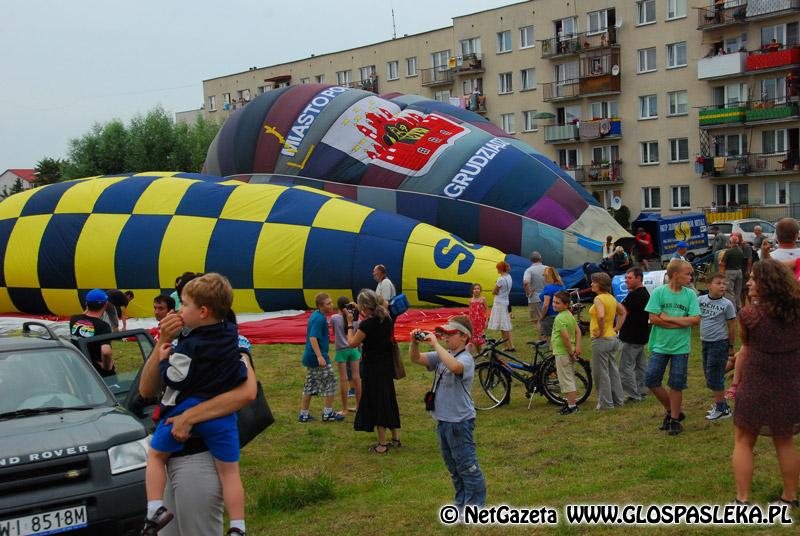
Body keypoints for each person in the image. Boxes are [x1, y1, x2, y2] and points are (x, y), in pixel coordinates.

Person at [143, 273, 248, 536]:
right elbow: (146, 390)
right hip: (177, 456)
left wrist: (188, 417)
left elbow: (247, 393)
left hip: (196, 457)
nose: (177, 310)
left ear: (202, 310)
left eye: (183, 303)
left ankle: (152, 509)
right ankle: (238, 526)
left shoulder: (230, 342)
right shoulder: (211, 336)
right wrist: (161, 344)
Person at [731, 259, 800, 507]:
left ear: (766, 284)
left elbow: (745, 351)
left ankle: (742, 500)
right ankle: (790, 498)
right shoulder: (797, 313)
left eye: (753, 279)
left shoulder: (750, 315)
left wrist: (736, 382)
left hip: (756, 385)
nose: (748, 282)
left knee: (743, 441)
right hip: (791, 385)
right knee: (784, 441)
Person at [409, 316, 486, 508]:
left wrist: (435, 344)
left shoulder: (466, 359)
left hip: (459, 422)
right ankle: (462, 503)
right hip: (443, 421)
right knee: (454, 468)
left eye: (450, 334)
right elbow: (416, 358)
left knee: (467, 467)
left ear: (464, 337)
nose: (445, 338)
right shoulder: (444, 354)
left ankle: (475, 507)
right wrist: (414, 343)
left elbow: (455, 367)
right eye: (444, 334)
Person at [644, 260, 701, 436]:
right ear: (675, 275)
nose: (691, 277)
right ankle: (671, 410)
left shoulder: (690, 295)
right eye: (687, 274)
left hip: (680, 347)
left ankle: (675, 420)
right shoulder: (659, 293)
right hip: (660, 345)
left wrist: (668, 319)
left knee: (676, 383)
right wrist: (681, 323)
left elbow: (695, 320)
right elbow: (653, 318)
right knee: (652, 379)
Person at [345, 289, 400, 453]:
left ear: (364, 306)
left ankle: (382, 444)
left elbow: (352, 343)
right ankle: (395, 438)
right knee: (388, 399)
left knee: (377, 402)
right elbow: (380, 309)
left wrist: (349, 324)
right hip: (386, 365)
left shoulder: (366, 324)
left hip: (372, 368)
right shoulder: (386, 317)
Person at [299, 293, 344, 423]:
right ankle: (328, 413)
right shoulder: (319, 319)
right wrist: (320, 356)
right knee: (331, 381)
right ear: (320, 306)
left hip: (310, 356)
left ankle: (304, 415)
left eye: (331, 302)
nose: (332, 305)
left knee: (310, 385)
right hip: (316, 357)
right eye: (328, 303)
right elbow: (313, 338)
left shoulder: (316, 315)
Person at [698, 273, 736, 422]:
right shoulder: (700, 300)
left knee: (714, 376)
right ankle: (723, 405)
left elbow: (732, 326)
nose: (722, 286)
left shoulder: (727, 304)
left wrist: (731, 346)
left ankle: (722, 409)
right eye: (718, 283)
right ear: (708, 285)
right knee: (709, 375)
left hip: (719, 343)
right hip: (705, 342)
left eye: (724, 284)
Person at [589, 272, 627, 410]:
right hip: (612, 337)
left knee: (601, 373)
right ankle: (618, 400)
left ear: (600, 284)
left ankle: (606, 403)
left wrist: (600, 329)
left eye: (594, 282)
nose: (591, 284)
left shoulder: (598, 299)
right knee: (612, 370)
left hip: (601, 339)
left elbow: (600, 315)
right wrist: (616, 328)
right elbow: (623, 312)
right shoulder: (611, 298)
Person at [618, 268, 651, 402]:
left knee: (626, 367)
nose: (626, 280)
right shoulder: (643, 293)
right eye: (625, 278)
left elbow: (621, 309)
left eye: (629, 278)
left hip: (631, 337)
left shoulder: (636, 295)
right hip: (640, 336)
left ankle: (633, 394)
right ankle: (642, 391)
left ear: (639, 278)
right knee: (640, 365)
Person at [70, 288, 114, 377]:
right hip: (95, 370)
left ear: (86, 303)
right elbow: (106, 351)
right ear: (105, 304)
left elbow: (84, 315)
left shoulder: (74, 319)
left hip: (78, 365)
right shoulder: (103, 326)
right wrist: (107, 367)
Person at [551, 291, 582, 415]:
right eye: (554, 302)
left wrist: (571, 352)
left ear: (566, 304)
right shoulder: (569, 315)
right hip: (569, 351)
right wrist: (577, 347)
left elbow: (565, 337)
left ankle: (572, 406)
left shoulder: (559, 318)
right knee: (569, 377)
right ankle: (570, 403)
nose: (554, 305)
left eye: (557, 303)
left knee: (566, 380)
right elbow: (578, 331)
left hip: (563, 352)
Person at [331, 296, 362, 416]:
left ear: (338, 307)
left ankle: (345, 409)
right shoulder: (356, 320)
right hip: (353, 349)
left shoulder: (334, 318)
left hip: (341, 351)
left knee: (343, 379)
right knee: (356, 378)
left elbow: (334, 333)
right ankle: (359, 406)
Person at [487, 261, 514, 351]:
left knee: (503, 326)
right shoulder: (509, 277)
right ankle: (510, 345)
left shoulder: (500, 279)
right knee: (506, 325)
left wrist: (494, 289)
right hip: (506, 301)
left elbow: (494, 291)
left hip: (499, 303)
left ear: (500, 269)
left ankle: (507, 345)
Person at [539, 267, 566, 343]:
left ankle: (551, 350)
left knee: (550, 338)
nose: (544, 278)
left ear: (548, 277)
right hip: (560, 314)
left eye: (544, 276)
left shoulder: (548, 288)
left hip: (550, 315)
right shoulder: (562, 286)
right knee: (558, 336)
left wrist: (542, 316)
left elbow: (545, 305)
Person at [523, 251, 547, 331]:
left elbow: (526, 282)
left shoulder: (529, 270)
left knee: (538, 320)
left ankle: (542, 340)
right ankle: (548, 339)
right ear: (540, 259)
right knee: (548, 319)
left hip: (535, 297)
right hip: (548, 296)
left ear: (531, 260)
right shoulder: (547, 268)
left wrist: (528, 292)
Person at [719, 234, 744, 310]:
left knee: (729, 291)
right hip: (739, 271)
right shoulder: (740, 250)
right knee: (737, 291)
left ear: (730, 242)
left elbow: (723, 263)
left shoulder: (728, 252)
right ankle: (738, 306)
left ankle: (732, 309)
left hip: (730, 272)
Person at [468, 283, 487, 354]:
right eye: (475, 289)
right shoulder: (470, 300)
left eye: (478, 288)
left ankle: (481, 351)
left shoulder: (483, 299)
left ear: (480, 290)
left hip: (480, 322)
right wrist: (469, 321)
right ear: (472, 290)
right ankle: (478, 351)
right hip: (473, 322)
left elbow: (486, 310)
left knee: (480, 337)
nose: (476, 290)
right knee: (474, 338)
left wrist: (486, 321)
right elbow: (470, 311)